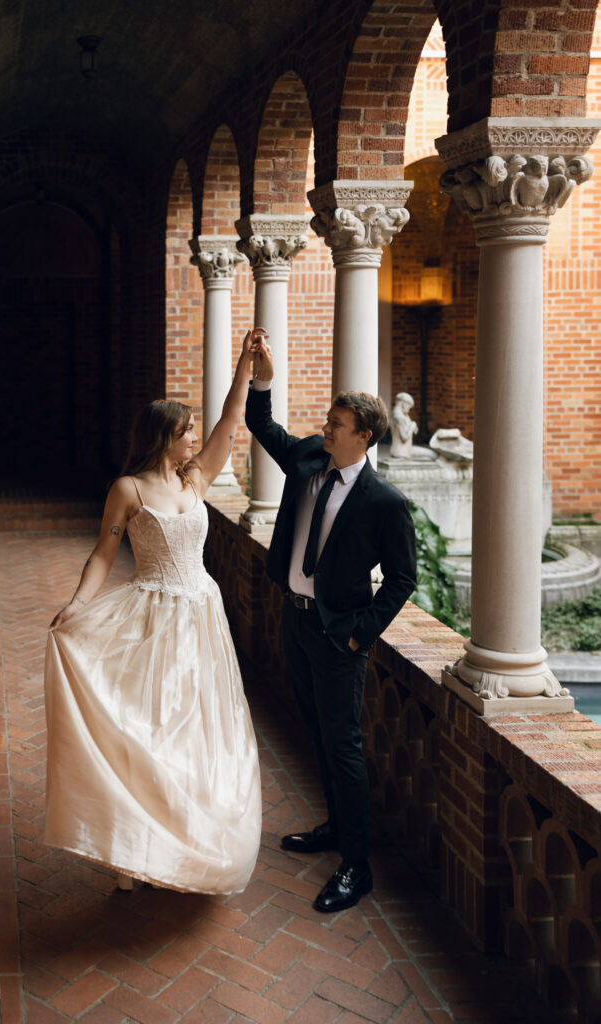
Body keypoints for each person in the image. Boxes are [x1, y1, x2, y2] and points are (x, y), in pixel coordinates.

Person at [44, 329, 266, 895]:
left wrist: (244, 365)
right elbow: (102, 554)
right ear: (164, 437)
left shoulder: (197, 479)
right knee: (149, 729)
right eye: (185, 430)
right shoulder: (127, 490)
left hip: (202, 616)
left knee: (198, 731)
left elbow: (229, 421)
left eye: (193, 428)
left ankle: (188, 839)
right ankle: (133, 847)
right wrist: (76, 604)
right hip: (151, 616)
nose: (195, 436)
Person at [245, 339, 416, 913]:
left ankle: (356, 866)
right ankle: (335, 830)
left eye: (337, 425)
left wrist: (357, 634)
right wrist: (263, 376)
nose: (326, 429)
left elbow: (400, 580)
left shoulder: (383, 502)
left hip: (338, 637)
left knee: (343, 745)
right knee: (317, 731)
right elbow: (258, 421)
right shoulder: (309, 459)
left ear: (364, 435)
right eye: (328, 421)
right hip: (295, 623)